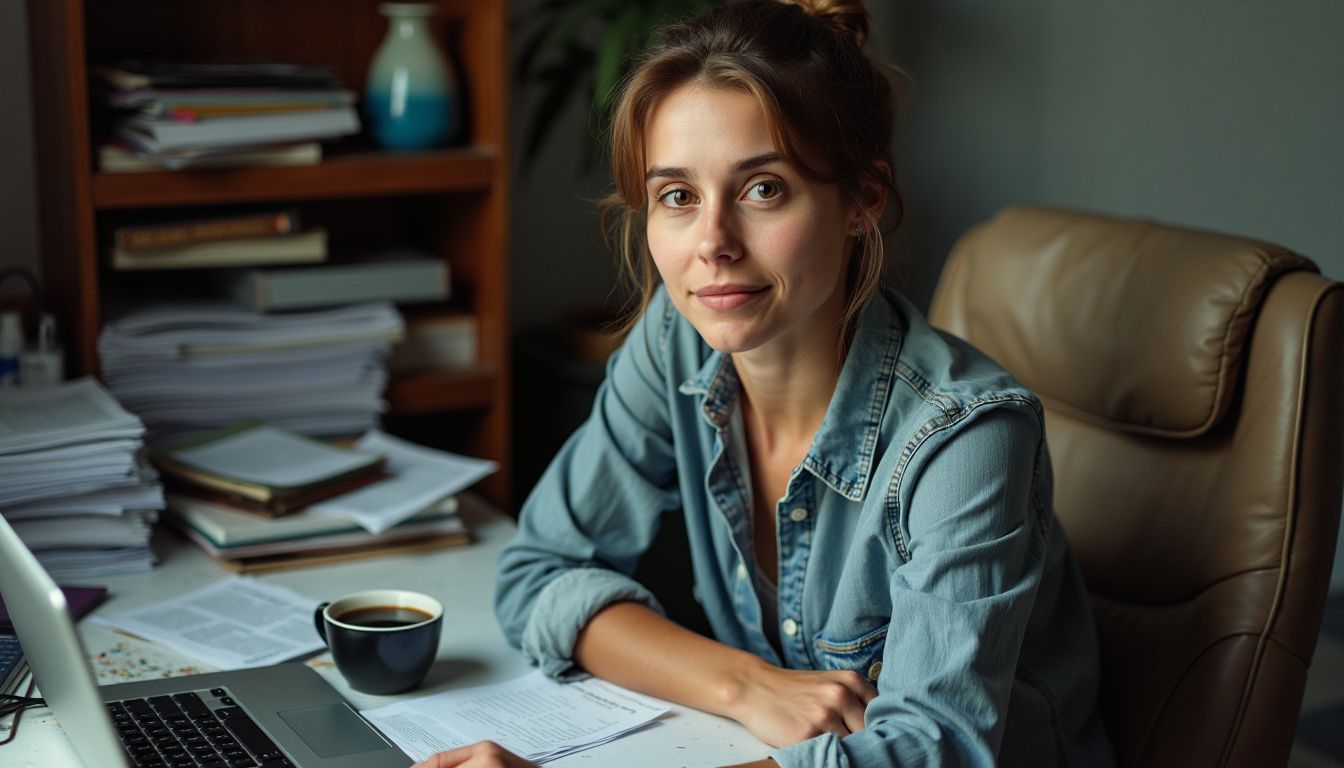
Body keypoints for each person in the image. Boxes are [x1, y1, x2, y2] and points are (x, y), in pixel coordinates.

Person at [415, 0, 1114, 765]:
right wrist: (744, 685)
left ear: (863, 201)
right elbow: (538, 573)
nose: (712, 244)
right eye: (677, 196)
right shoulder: (677, 344)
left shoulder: (967, 438)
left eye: (763, 189)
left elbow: (925, 750)